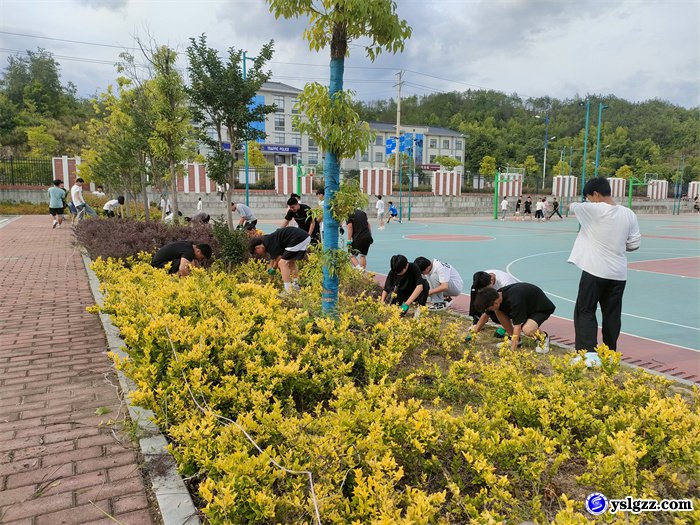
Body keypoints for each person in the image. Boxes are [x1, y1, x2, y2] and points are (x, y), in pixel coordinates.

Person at [568, 176, 641, 366]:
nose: (588, 201)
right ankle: (610, 354)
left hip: (594, 270)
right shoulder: (629, 214)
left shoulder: (593, 208)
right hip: (618, 274)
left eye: (589, 197)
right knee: (612, 314)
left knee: (585, 310)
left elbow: (572, 206)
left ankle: (588, 354)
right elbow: (634, 245)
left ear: (596, 194)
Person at [472, 283, 555, 354]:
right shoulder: (495, 296)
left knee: (527, 329)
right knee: (498, 311)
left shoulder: (515, 300)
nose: (489, 310)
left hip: (540, 308)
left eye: (490, 308)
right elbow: (485, 315)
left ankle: (543, 338)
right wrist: (473, 335)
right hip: (526, 307)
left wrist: (512, 350)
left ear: (496, 302)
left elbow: (517, 327)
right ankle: (515, 339)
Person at [249, 227, 311, 293]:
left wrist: (273, 269)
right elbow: (273, 259)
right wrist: (270, 275)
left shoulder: (268, 243)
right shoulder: (267, 240)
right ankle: (295, 285)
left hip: (298, 238)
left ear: (257, 248)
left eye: (256, 253)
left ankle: (288, 290)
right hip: (303, 237)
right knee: (291, 261)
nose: (258, 254)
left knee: (282, 263)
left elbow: (279, 258)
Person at [469, 269, 519, 336]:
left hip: (513, 301)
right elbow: (487, 312)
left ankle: (508, 328)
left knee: (495, 315)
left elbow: (515, 308)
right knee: (475, 291)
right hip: (496, 299)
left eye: (485, 289)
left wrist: (505, 327)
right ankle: (476, 320)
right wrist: (476, 328)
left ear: (492, 280)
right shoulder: (481, 277)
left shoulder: (506, 283)